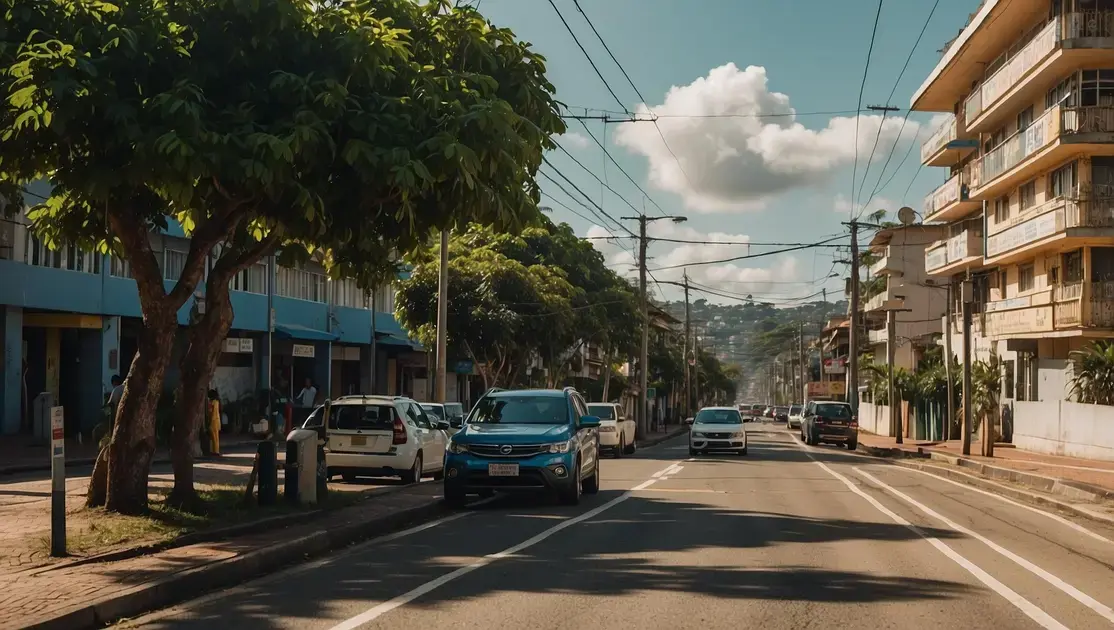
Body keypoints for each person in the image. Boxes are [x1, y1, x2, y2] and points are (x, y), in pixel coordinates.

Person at [207, 389, 221, 456]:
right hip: (217, 420)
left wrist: (209, 421)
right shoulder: (217, 402)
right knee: (216, 437)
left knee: (213, 437)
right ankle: (216, 450)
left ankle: (214, 451)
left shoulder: (211, 403)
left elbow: (210, 412)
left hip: (213, 421)